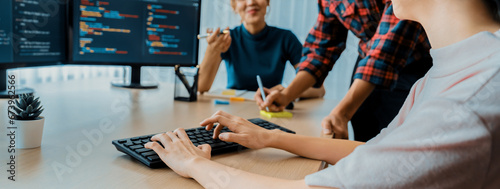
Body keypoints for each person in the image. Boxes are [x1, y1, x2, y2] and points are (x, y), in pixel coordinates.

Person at [145, 0, 500, 188]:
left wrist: (194, 163)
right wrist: (271, 137)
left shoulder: (465, 102)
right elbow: (377, 155)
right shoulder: (448, 72)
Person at [255, 0, 433, 142]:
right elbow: (320, 50)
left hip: (417, 63)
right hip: (368, 60)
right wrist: (286, 95)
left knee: (400, 137)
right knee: (363, 122)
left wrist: (343, 113)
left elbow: (389, 47)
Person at [198, 0, 325, 98]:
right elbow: (200, 87)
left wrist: (286, 92)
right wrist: (212, 50)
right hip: (233, 109)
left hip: (271, 109)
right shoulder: (227, 39)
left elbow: (318, 89)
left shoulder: (286, 38)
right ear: (234, 6)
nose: (251, 2)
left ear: (267, 2)